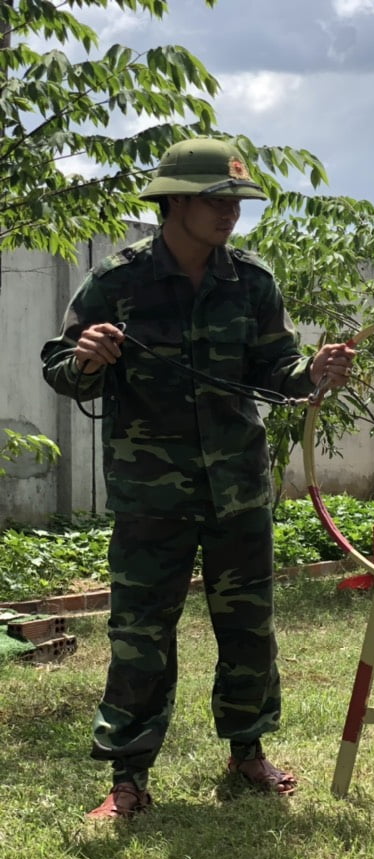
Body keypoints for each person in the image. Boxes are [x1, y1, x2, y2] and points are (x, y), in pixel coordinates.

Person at [40, 137, 357, 820]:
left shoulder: (253, 281)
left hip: (237, 487)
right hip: (150, 495)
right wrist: (89, 358)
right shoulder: (119, 281)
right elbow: (63, 370)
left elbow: (279, 371)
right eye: (216, 199)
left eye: (236, 201)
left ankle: (247, 752)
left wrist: (315, 375)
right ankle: (128, 776)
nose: (229, 214)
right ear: (174, 202)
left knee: (248, 626)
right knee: (140, 632)